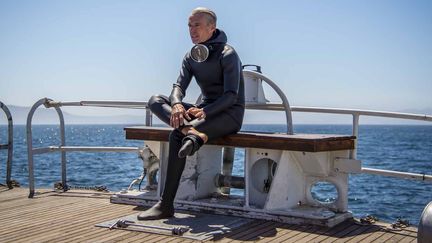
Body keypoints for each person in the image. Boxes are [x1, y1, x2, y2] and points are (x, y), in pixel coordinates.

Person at [137, 7, 245, 220]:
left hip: (228, 114)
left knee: (175, 135)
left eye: (197, 25)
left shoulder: (228, 54)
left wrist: (204, 111)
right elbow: (178, 86)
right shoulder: (191, 56)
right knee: (155, 100)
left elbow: (231, 96)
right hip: (201, 113)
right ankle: (190, 133)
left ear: (211, 27)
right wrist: (177, 104)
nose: (192, 30)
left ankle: (165, 205)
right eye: (189, 25)